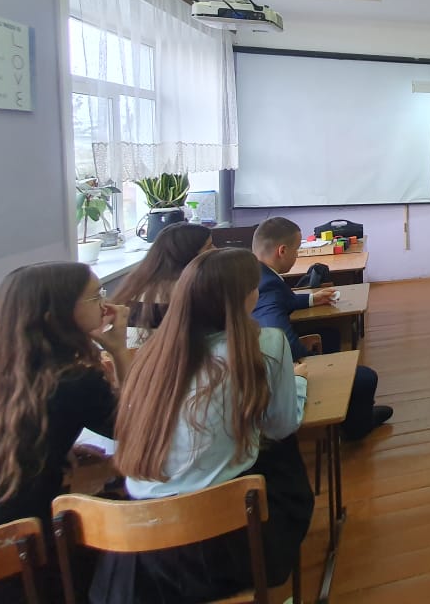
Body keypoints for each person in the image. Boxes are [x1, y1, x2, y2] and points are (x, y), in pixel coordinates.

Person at [92, 248, 312, 602]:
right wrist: (298, 384)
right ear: (244, 297)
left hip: (138, 554)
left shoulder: (151, 354)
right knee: (282, 456)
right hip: (222, 544)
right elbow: (282, 426)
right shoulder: (265, 343)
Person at [0, 263, 130, 602]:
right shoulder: (74, 380)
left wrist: (54, 449)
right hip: (25, 561)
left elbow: (8, 429)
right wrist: (119, 350)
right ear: (55, 317)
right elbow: (138, 430)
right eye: (96, 297)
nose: (106, 305)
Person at [251, 217, 392, 439]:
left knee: (330, 335)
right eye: (296, 251)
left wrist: (311, 299)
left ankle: (343, 403)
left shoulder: (258, 272)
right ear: (282, 251)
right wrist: (305, 357)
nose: (297, 256)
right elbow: (278, 336)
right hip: (279, 367)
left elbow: (285, 300)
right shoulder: (268, 286)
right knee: (366, 377)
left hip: (262, 353)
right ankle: (357, 427)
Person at [111, 221, 213, 345]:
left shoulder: (134, 284)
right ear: (188, 254)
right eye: (209, 247)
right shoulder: (192, 289)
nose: (216, 249)